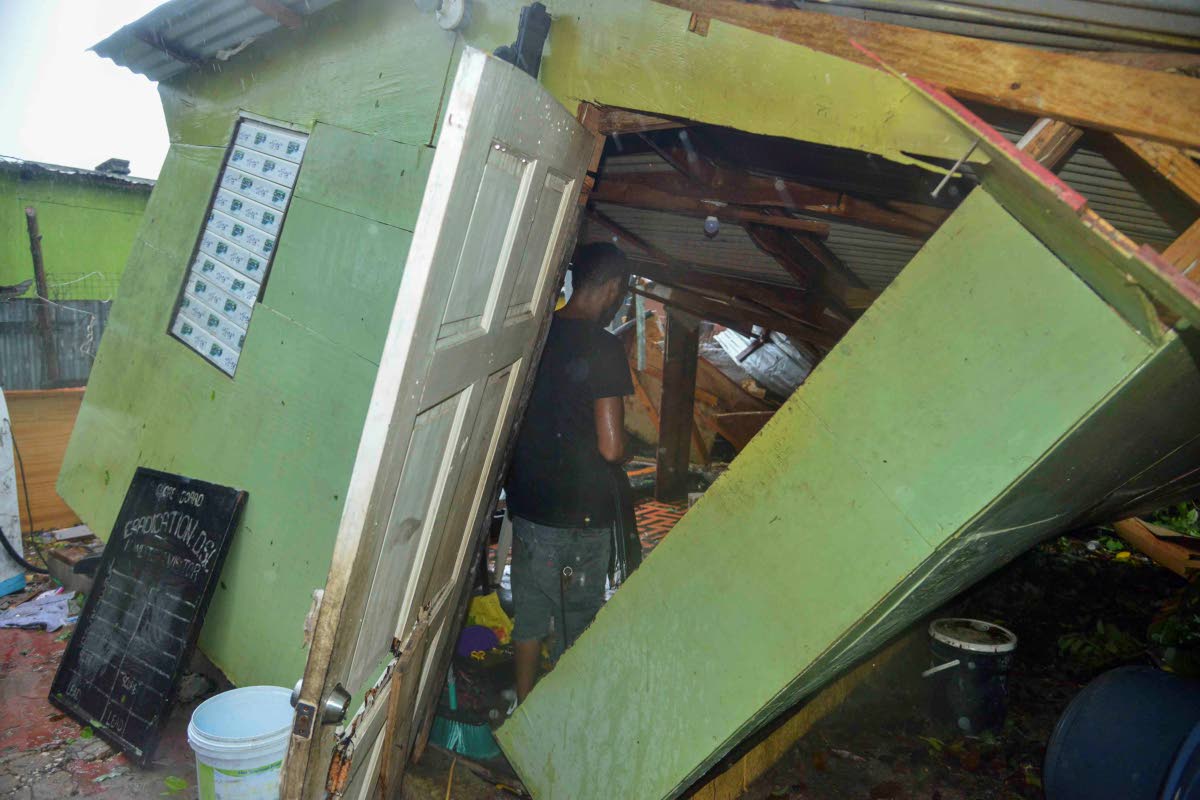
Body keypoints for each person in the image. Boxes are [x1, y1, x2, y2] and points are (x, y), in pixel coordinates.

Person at [504, 242, 633, 703]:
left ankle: (523, 711)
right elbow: (612, 446)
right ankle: (566, 719)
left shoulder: (535, 333)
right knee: (578, 628)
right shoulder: (605, 347)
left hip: (529, 506)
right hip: (580, 515)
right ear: (613, 288)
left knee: (531, 617)